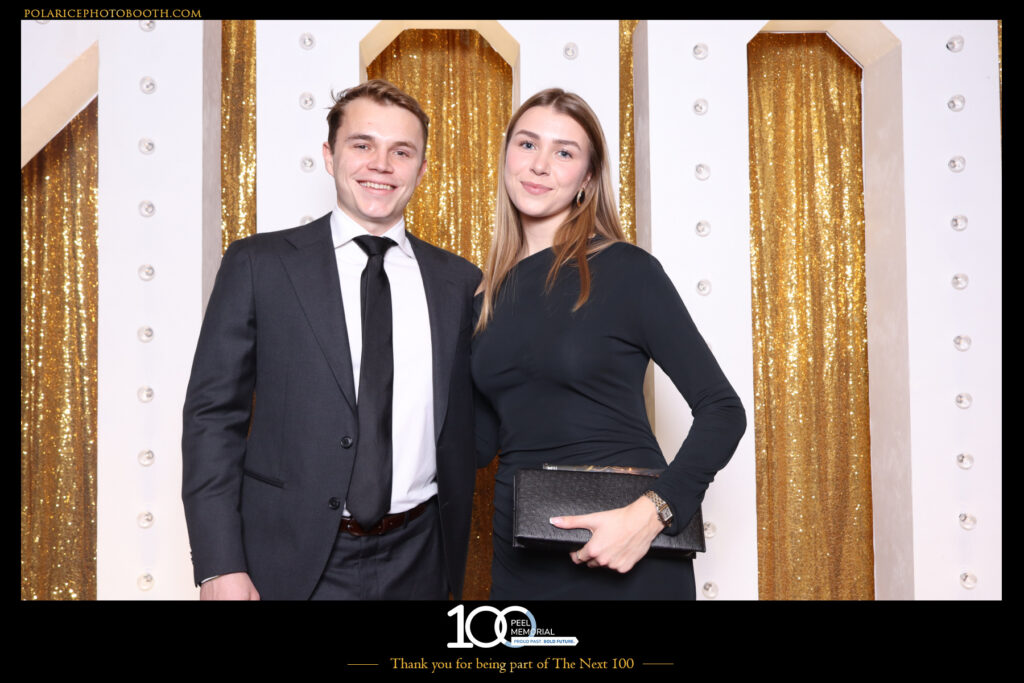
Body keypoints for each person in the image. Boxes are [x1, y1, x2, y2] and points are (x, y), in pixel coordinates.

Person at [182, 80, 481, 600]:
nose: (381, 164)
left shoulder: (459, 281)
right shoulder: (259, 264)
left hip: (422, 558)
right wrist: (218, 564)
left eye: (401, 151)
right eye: (362, 144)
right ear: (329, 155)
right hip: (288, 558)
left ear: (421, 169)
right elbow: (212, 419)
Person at [472, 88, 746, 600]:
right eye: (527, 144)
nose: (539, 165)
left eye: (564, 152)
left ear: (587, 178)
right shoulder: (482, 297)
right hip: (521, 552)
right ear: (507, 155)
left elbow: (723, 411)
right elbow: (477, 444)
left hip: (629, 547)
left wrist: (652, 515)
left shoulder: (625, 271)